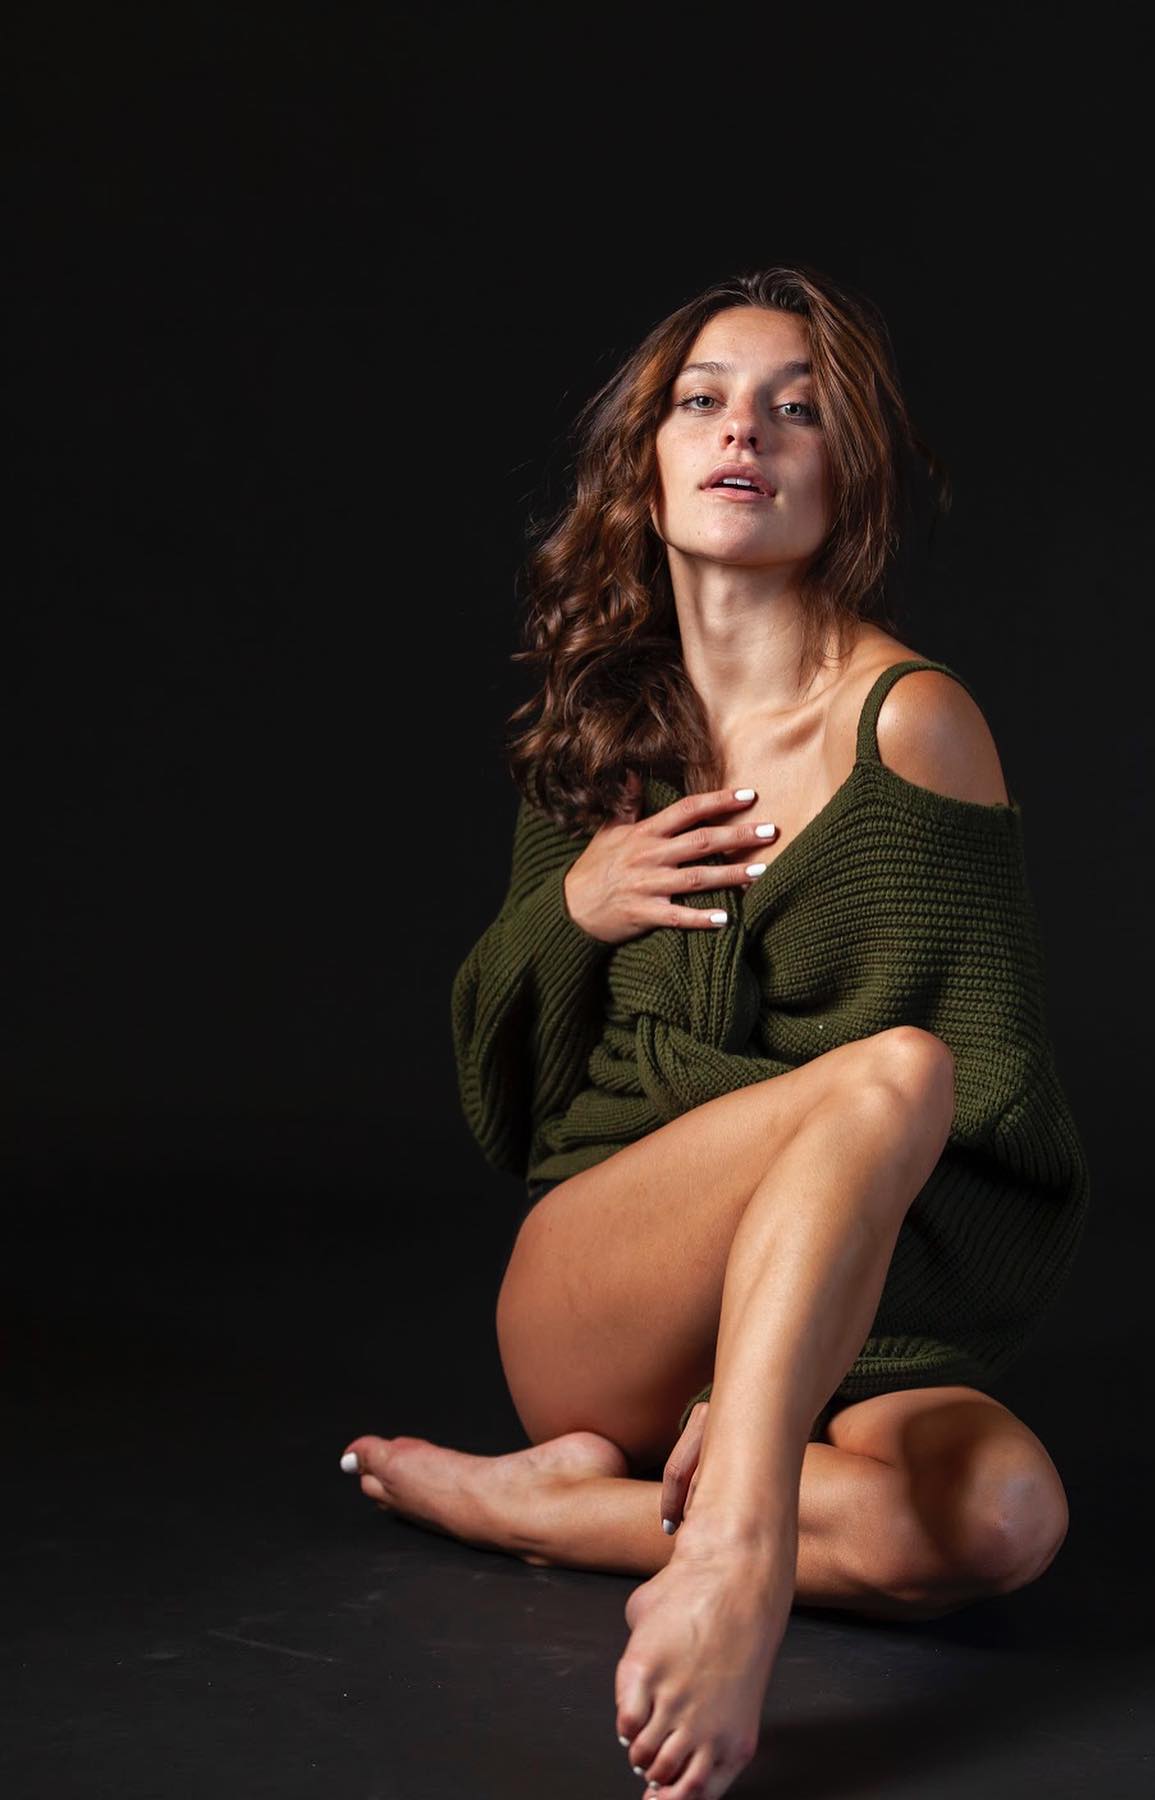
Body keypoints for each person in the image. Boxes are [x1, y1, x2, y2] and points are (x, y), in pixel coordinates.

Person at [339, 264, 1091, 1800]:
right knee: (893, 1074)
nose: (743, 430)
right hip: (603, 1307)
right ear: (649, 463)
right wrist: (575, 909)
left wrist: (780, 1375)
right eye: (703, 401)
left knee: (1008, 1519)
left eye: (794, 410)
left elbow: (997, 1125)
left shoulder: (912, 731)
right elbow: (509, 1099)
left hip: (837, 1319)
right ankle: (737, 1558)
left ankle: (546, 1514)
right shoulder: (604, 733)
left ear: (844, 477)